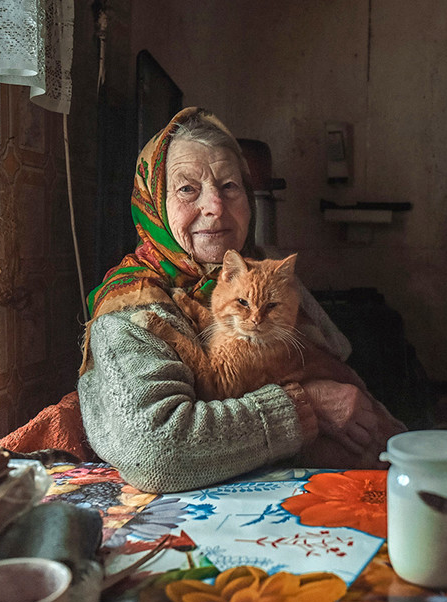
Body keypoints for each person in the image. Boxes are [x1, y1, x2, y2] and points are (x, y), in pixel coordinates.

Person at [63, 107, 403, 492]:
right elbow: (155, 450)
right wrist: (306, 405)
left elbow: (344, 370)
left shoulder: (265, 268)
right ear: (152, 203)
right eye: (187, 189)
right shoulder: (131, 306)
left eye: (229, 187)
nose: (216, 206)